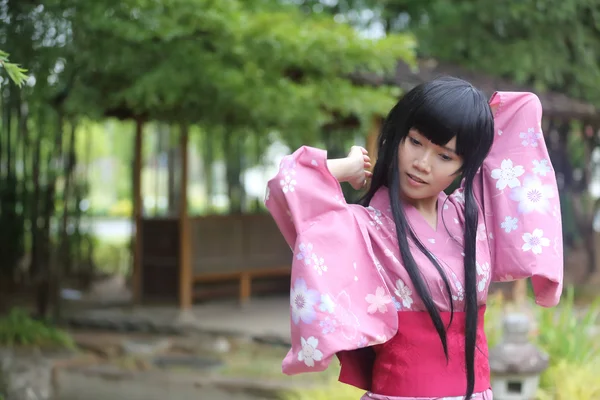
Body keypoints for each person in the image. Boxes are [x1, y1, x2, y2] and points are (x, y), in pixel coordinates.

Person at [264, 77, 563, 400]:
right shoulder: (365, 227)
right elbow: (287, 182)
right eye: (416, 142)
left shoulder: (470, 217)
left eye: (444, 156)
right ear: (398, 137)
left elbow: (523, 110)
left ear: (465, 167)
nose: (422, 164)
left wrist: (475, 116)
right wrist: (350, 167)